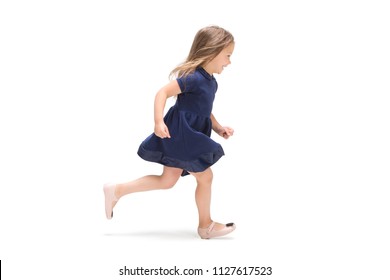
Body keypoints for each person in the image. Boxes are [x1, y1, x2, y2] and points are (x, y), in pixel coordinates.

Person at [104, 25, 236, 239]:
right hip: (182, 132)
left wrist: (218, 127)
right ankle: (206, 226)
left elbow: (204, 110)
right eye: (227, 56)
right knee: (205, 176)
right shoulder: (193, 77)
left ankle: (116, 190)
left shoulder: (212, 82)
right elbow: (162, 93)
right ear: (212, 51)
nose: (229, 62)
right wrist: (158, 121)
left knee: (167, 180)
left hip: (190, 131)